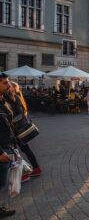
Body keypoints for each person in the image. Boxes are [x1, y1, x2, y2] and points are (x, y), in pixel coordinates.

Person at [6, 82, 42, 182]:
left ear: (14, 88)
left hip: (17, 130)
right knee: (23, 150)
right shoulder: (12, 98)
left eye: (9, 86)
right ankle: (35, 168)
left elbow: (20, 114)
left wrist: (9, 121)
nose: (7, 87)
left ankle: (24, 174)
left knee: (15, 152)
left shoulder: (15, 98)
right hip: (16, 130)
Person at [0, 73, 16, 217]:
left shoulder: (4, 100)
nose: (8, 85)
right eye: (5, 83)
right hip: (1, 149)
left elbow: (10, 123)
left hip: (7, 145)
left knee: (2, 182)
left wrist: (14, 145)